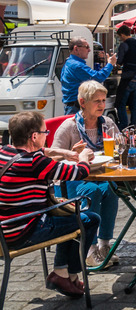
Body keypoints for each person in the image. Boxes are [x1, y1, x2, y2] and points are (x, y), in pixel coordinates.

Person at [1, 111, 98, 299]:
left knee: (67, 216)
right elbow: (79, 173)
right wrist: (84, 156)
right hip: (25, 231)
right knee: (89, 219)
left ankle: (64, 274)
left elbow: (42, 151)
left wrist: (65, 152)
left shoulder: (5, 152)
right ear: (34, 136)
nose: (48, 136)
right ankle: (66, 274)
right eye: (46, 132)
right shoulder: (34, 162)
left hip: (5, 229)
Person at [51, 81, 119, 269]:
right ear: (82, 102)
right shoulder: (70, 126)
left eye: (103, 100)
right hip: (70, 180)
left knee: (111, 189)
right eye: (96, 101)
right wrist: (71, 154)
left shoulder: (107, 123)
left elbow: (120, 147)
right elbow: (53, 157)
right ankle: (89, 249)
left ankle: (105, 244)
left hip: (100, 175)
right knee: (91, 190)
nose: (101, 105)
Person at [61, 37, 116, 115]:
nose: (89, 50)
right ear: (76, 49)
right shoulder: (77, 65)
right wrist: (110, 64)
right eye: (86, 47)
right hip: (77, 107)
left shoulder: (69, 62)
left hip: (73, 105)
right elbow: (98, 77)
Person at [115, 25, 136, 129]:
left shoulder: (124, 45)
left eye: (119, 36)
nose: (119, 39)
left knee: (120, 103)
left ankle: (123, 125)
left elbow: (119, 61)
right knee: (134, 104)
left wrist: (115, 64)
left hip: (127, 77)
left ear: (122, 34)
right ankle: (133, 126)